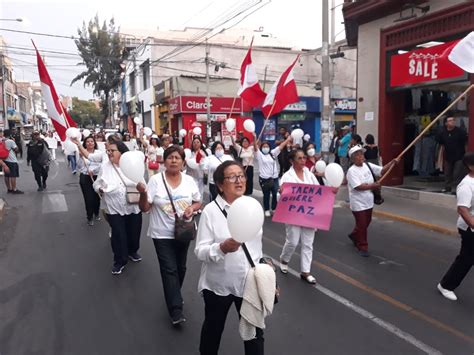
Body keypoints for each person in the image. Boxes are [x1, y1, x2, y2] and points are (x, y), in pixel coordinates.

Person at [195, 160, 264, 355]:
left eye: (241, 175)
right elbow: (200, 251)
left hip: (249, 284)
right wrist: (222, 248)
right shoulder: (210, 212)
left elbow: (257, 248)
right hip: (219, 287)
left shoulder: (252, 207)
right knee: (213, 331)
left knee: (254, 335)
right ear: (219, 185)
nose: (239, 181)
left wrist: (265, 271)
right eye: (232, 177)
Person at [137, 145, 202, 325]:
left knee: (181, 268)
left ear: (183, 162)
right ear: (164, 161)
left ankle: (174, 293)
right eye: (170, 157)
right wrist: (143, 194)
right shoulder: (156, 181)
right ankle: (175, 309)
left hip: (183, 232)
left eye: (177, 157)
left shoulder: (189, 181)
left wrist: (192, 208)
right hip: (161, 234)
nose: (174, 160)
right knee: (169, 269)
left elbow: (198, 201)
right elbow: (145, 208)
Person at [93, 140, 142, 275]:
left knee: (134, 232)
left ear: (121, 151)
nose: (109, 153)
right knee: (118, 234)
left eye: (112, 151)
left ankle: (133, 251)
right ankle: (119, 260)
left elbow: (141, 181)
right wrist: (100, 189)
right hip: (114, 207)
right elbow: (96, 184)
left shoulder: (132, 165)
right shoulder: (105, 167)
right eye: (108, 151)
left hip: (133, 206)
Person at [346, 145, 399, 257]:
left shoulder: (368, 165)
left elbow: (382, 170)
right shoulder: (351, 171)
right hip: (358, 203)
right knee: (362, 224)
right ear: (353, 158)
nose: (361, 156)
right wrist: (373, 185)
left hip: (368, 202)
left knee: (366, 222)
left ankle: (354, 235)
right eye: (358, 154)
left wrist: (392, 163)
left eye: (361, 153)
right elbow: (358, 187)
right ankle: (362, 246)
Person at [279, 149, 321, 284]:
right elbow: (281, 196)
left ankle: (305, 272)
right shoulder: (287, 176)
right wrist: (282, 192)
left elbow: (318, 190)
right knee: (293, 241)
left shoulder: (310, 175)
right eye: (299, 158)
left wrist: (330, 191)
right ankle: (284, 259)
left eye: (304, 158)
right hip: (293, 214)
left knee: (308, 243)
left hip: (308, 214)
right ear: (292, 161)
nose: (303, 161)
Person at [437, 152, 474, 301]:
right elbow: (462, 210)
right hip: (469, 228)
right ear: (470, 166)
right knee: (466, 259)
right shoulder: (466, 185)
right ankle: (446, 285)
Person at [255, 135, 292, 217]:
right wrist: (255, 138)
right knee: (266, 195)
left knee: (275, 193)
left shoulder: (272, 153)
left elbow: (281, 146)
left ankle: (274, 208)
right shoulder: (260, 155)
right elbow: (255, 147)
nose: (265, 148)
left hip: (274, 178)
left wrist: (287, 140)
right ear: (261, 148)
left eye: (267, 146)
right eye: (264, 146)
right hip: (264, 179)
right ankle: (267, 209)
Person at [437, 116, 468, 194]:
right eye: (450, 120)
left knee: (457, 173)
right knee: (447, 173)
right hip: (448, 156)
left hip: (459, 156)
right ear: (446, 123)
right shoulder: (443, 133)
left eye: (453, 120)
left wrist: (466, 154)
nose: (452, 122)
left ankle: (458, 189)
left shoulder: (460, 132)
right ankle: (447, 187)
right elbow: (442, 144)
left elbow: (465, 143)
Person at [76, 135, 102, 226]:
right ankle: (89, 217)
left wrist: (93, 171)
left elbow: (102, 165)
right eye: (88, 141)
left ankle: (96, 212)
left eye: (92, 141)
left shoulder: (99, 153)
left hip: (97, 177)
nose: (90, 143)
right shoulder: (82, 152)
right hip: (85, 178)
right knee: (88, 198)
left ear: (94, 143)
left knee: (97, 197)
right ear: (85, 144)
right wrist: (80, 157)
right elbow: (79, 166)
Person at [0, 129, 23, 194]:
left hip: (4, 160)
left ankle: (9, 189)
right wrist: (14, 141)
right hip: (12, 161)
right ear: (10, 134)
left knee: (7, 176)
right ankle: (14, 189)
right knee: (13, 175)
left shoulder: (1, 140)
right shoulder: (10, 141)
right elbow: (17, 150)